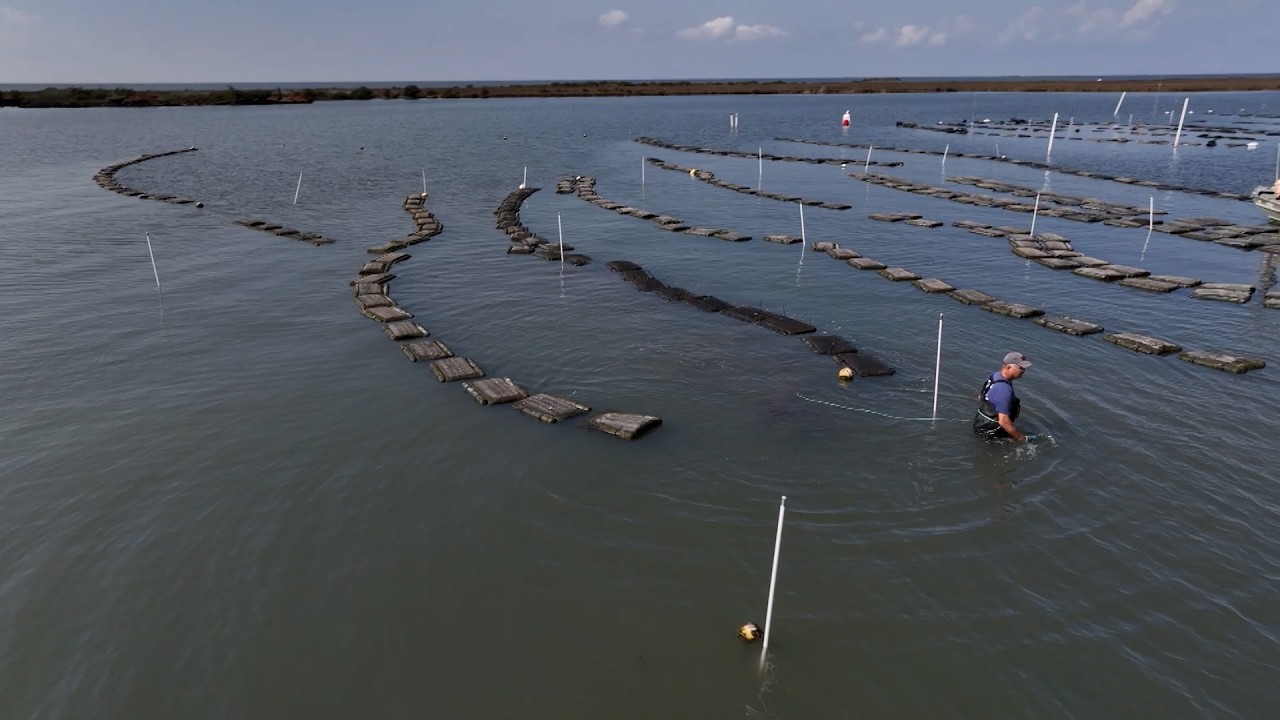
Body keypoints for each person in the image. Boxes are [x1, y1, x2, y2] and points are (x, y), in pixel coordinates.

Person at [973, 352, 1033, 442]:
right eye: (1020, 368)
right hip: (990, 432)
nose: (1023, 371)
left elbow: (980, 396)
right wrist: (1022, 438)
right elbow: (1003, 421)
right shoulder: (1004, 390)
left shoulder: (995, 376)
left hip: (980, 422)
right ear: (1009, 367)